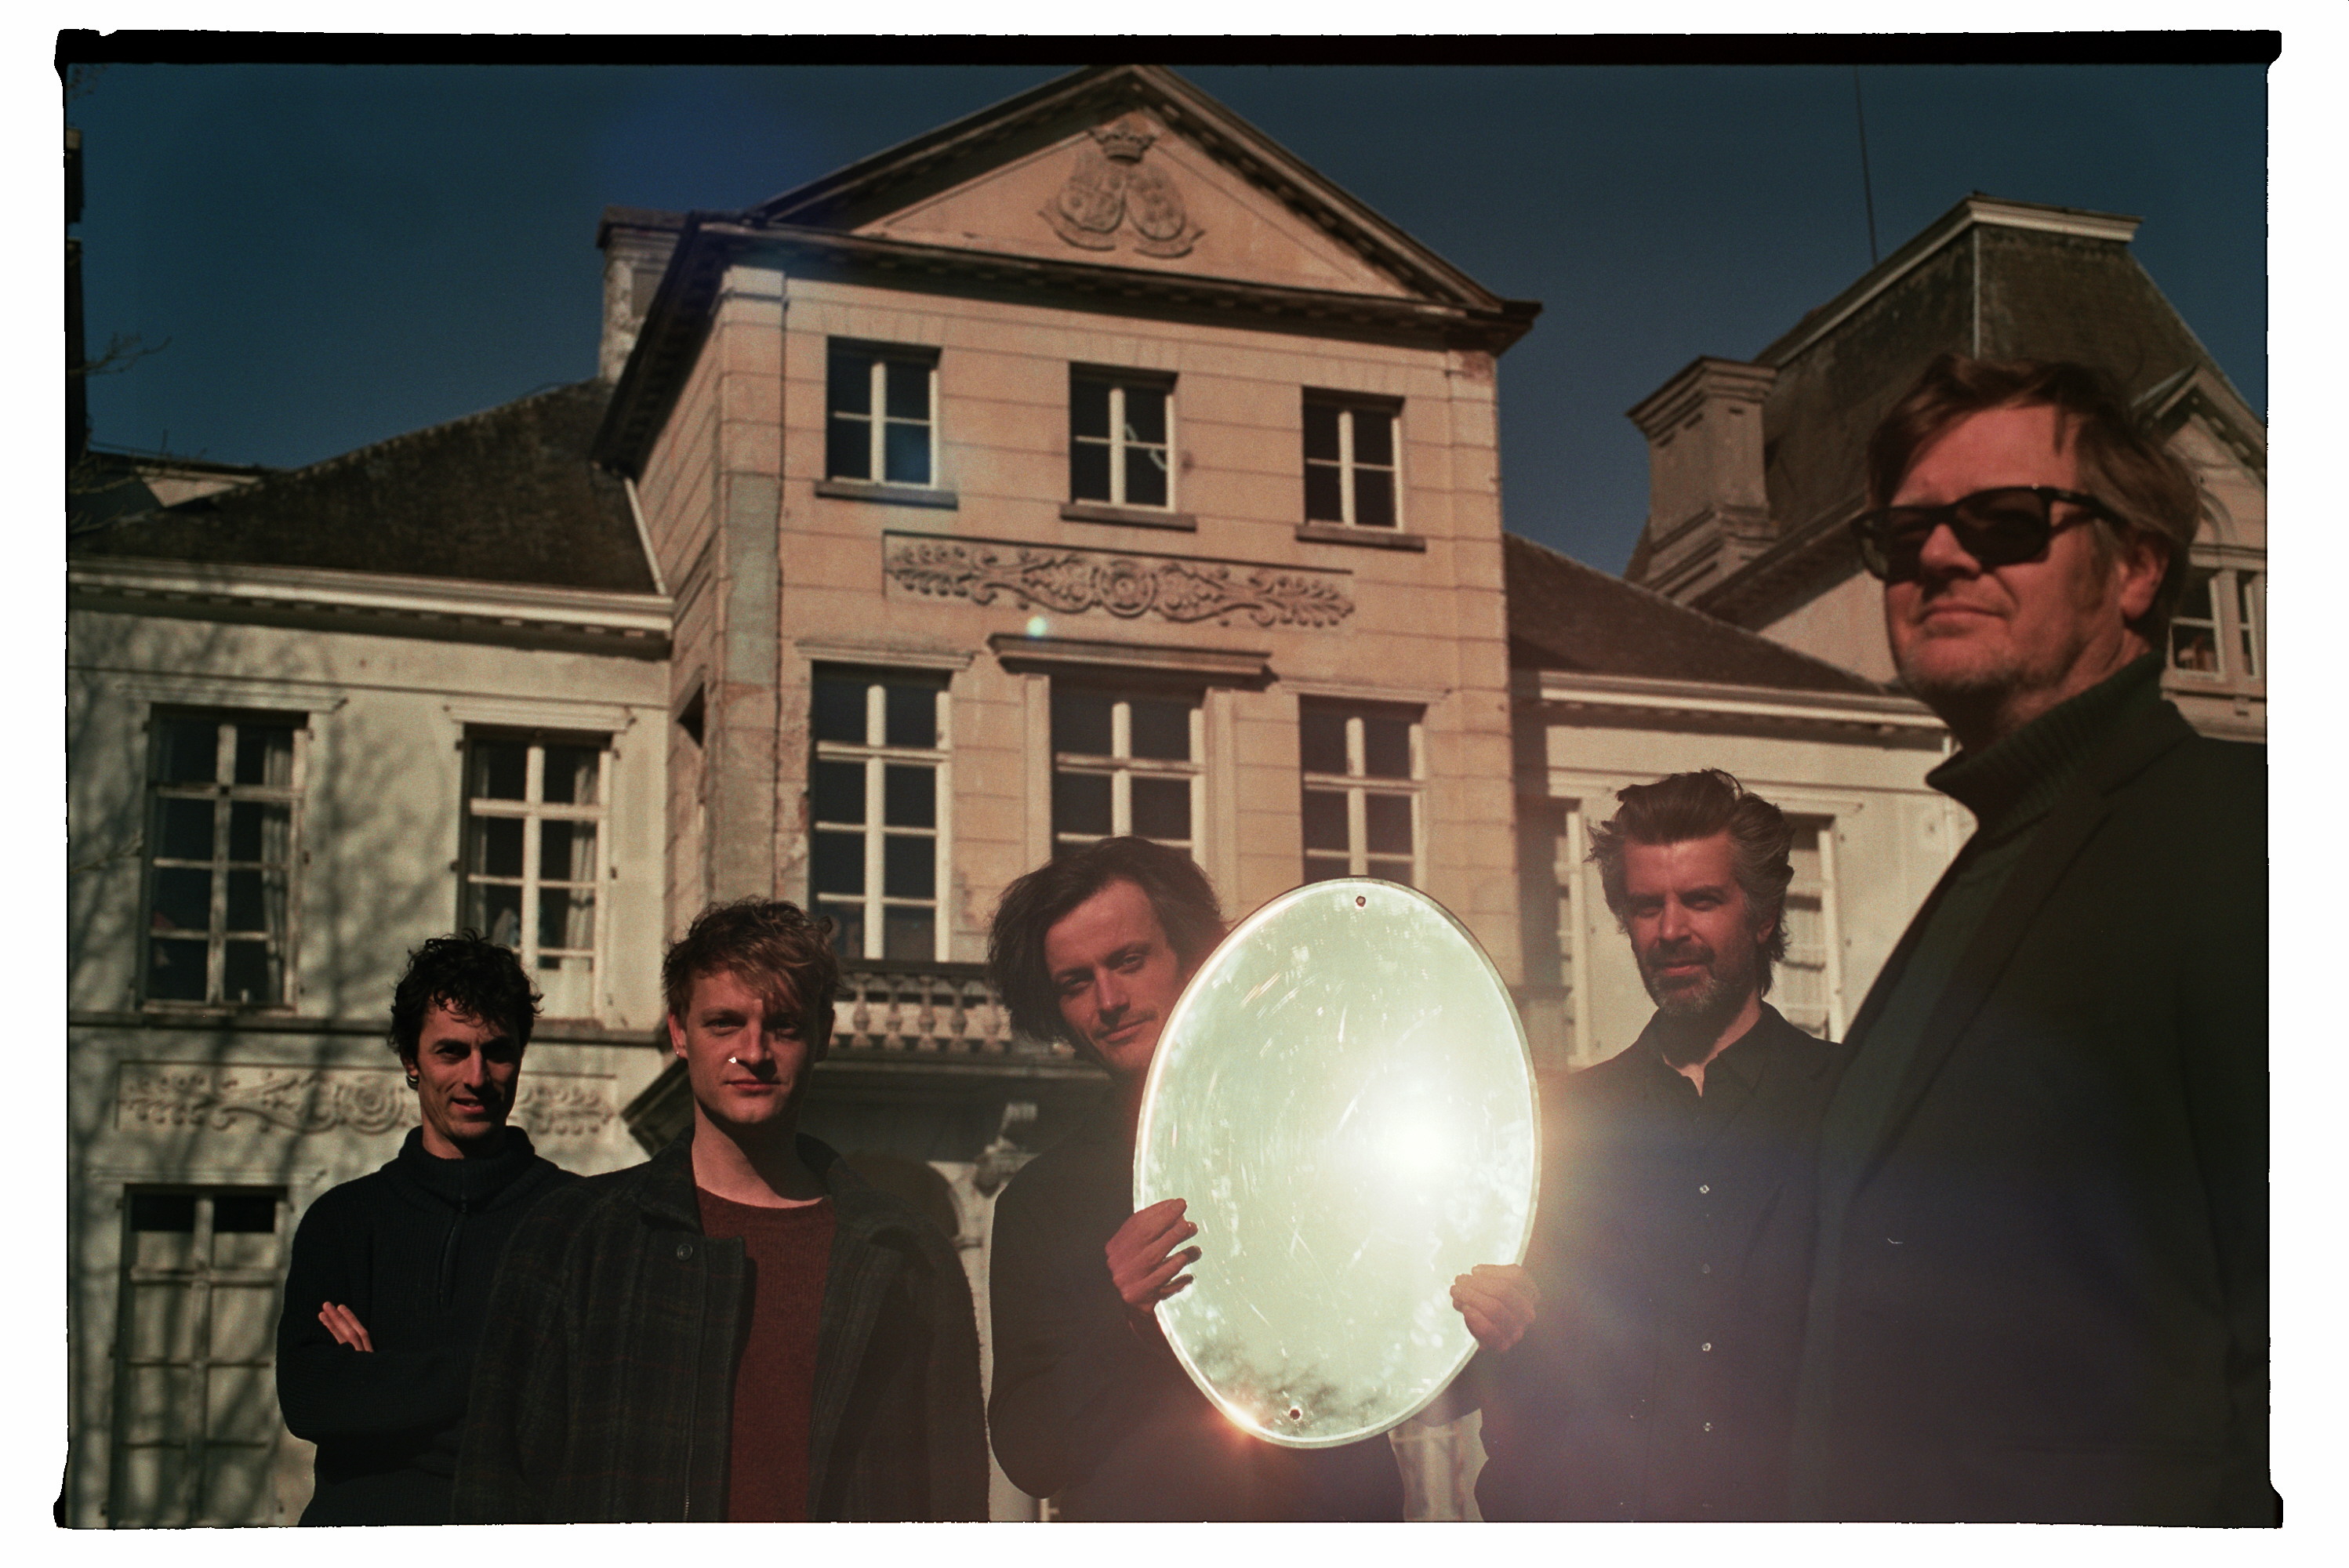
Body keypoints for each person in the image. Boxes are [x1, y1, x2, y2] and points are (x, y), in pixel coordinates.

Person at [1786, 354, 2271, 1523]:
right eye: (1905, 535)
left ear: (2136, 568)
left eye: (2004, 520)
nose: (1941, 557)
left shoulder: (2242, 836)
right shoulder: (1992, 862)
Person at [983, 837, 1532, 1520]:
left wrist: (1500, 1330)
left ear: (1193, 956)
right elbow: (1028, 1455)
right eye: (1075, 982)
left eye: (1129, 961)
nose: (1109, 999)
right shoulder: (1040, 1201)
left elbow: (1416, 1381)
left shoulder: (1330, 1138)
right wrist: (1121, 1319)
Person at [452, 898, 987, 1522]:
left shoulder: (909, 1255)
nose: (754, 1051)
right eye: (724, 1023)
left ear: (822, 1035)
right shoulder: (572, 1238)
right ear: (679, 1032)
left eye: (784, 1026)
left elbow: (955, 1512)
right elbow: (494, 1494)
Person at [1474, 771, 1852, 1521]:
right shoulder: (1559, 1125)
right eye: (1647, 906)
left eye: (1701, 900)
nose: (1670, 930)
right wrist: (1493, 1327)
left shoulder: (1851, 1105)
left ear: (1764, 917)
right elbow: (1497, 1381)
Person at [274, 933, 575, 1525]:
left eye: (497, 1052)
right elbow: (309, 1399)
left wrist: (376, 1387)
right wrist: (502, 1373)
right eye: (450, 1052)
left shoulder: (576, 1219)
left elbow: (572, 1422)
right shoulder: (343, 1220)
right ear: (411, 1061)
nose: (476, 1077)